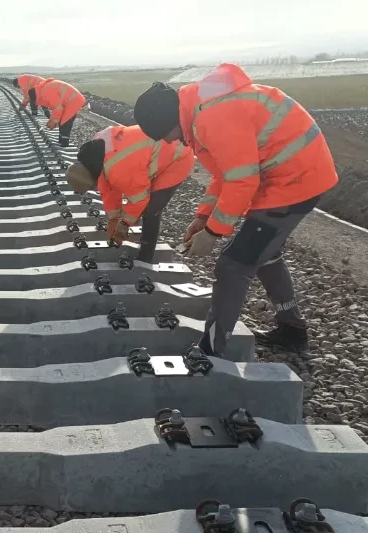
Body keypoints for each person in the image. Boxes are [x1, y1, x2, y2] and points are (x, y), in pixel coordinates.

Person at [133, 64, 337, 354]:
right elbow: (225, 173)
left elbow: (242, 180)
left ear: (171, 119)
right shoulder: (202, 111)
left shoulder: (213, 117)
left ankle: (211, 350)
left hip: (295, 180)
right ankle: (292, 330)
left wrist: (213, 233)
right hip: (294, 175)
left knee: (233, 265)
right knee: (264, 254)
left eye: (165, 133)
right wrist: (203, 217)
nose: (167, 141)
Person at [66, 125, 194, 262]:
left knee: (151, 208)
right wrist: (113, 219)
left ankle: (146, 255)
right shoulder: (97, 152)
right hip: (156, 151)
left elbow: (139, 199)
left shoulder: (120, 170)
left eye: (93, 187)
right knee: (140, 198)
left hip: (177, 158)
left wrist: (125, 224)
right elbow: (109, 190)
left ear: (94, 178)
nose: (96, 189)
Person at [33, 78, 86, 147]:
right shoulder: (44, 89)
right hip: (70, 100)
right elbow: (55, 108)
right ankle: (61, 141)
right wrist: (51, 120)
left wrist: (54, 121)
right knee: (62, 121)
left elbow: (58, 108)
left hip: (74, 101)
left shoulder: (47, 92)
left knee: (65, 122)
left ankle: (64, 143)